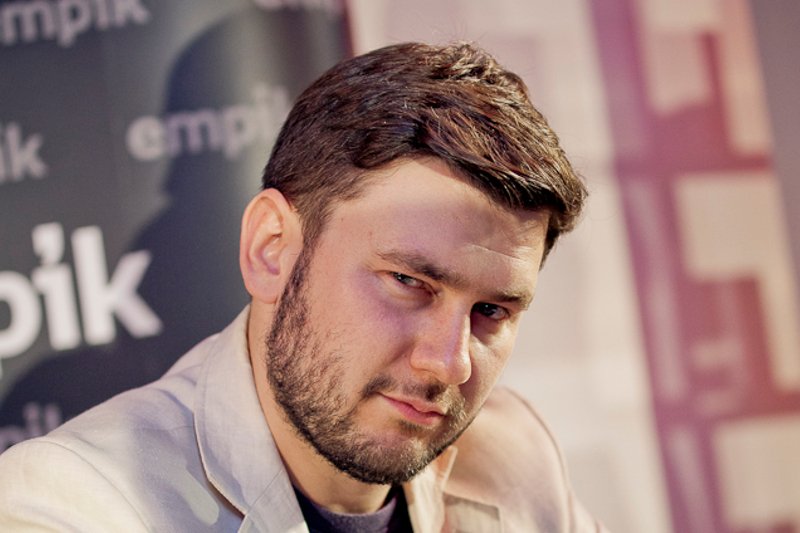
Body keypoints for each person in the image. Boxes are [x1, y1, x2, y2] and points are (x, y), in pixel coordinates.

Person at [0, 42, 607, 532]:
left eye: (492, 311)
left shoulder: (512, 454)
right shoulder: (74, 504)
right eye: (408, 281)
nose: (448, 364)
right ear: (272, 249)